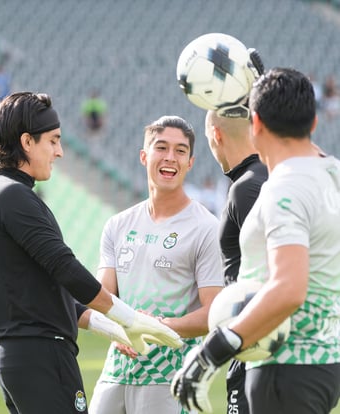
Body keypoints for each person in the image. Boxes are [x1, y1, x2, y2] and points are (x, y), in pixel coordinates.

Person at [0, 92, 183, 414]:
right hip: (42, 356)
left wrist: (113, 328)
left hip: (21, 358)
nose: (59, 152)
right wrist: (130, 317)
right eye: (53, 141)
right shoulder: (15, 197)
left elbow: (44, 293)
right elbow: (65, 269)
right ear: (27, 141)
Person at [171, 68, 340, 414]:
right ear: (314, 124)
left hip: (285, 367)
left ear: (256, 124)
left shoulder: (284, 188)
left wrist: (212, 352)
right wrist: (264, 82)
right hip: (327, 363)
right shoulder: (331, 172)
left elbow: (289, 288)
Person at [88, 115, 224, 414]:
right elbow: (101, 296)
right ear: (143, 155)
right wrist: (119, 328)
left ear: (190, 162)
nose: (170, 158)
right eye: (161, 147)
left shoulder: (206, 228)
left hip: (168, 377)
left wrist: (155, 327)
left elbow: (213, 313)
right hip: (117, 370)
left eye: (180, 151)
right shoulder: (118, 225)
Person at [204, 109, 268, 413]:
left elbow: (274, 271)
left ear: (216, 135)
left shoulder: (247, 188)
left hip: (256, 345)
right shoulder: (270, 178)